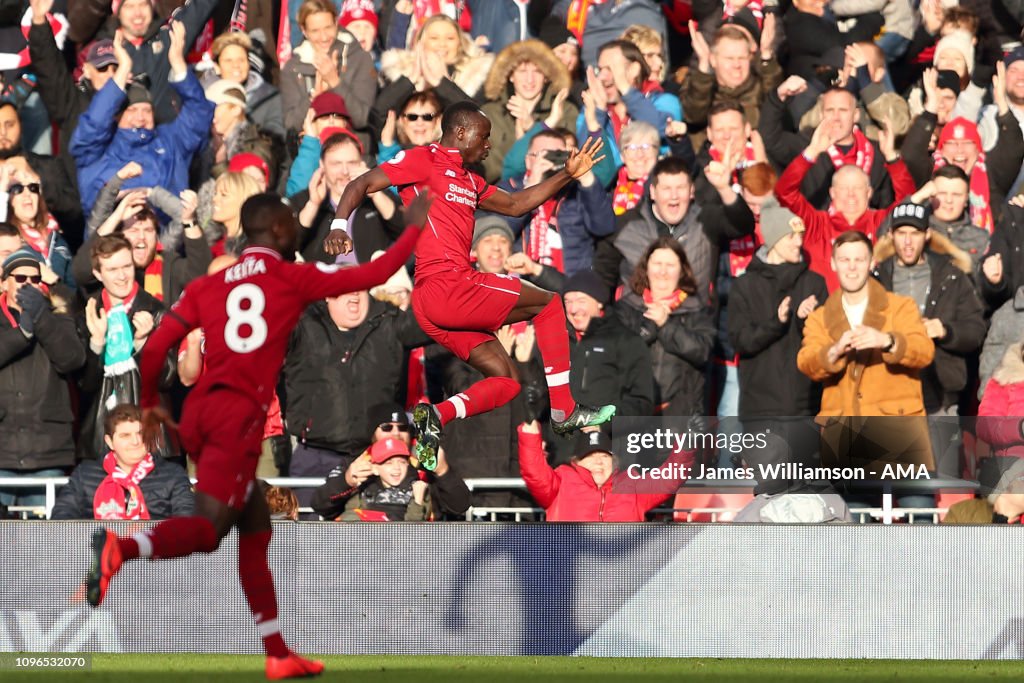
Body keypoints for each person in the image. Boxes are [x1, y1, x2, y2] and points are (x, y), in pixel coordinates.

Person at [84, 190, 433, 680]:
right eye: (290, 222)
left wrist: (148, 407)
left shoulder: (211, 284)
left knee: (255, 529)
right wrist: (413, 225)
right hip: (239, 416)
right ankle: (122, 550)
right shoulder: (290, 277)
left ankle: (276, 653)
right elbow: (375, 275)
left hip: (205, 407)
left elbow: (158, 343)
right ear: (278, 231)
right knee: (207, 532)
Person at [326, 101, 617, 469]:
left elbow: (515, 204)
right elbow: (363, 181)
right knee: (549, 304)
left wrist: (566, 175)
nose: (489, 145)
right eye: (484, 136)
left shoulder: (469, 179)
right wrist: (339, 225)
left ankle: (437, 415)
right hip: (448, 286)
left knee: (508, 381)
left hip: (440, 308)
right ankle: (564, 410)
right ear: (460, 133)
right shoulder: (422, 160)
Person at [797, 231, 936, 473]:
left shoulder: (901, 307)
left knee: (918, 507)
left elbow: (924, 351)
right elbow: (806, 362)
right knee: (851, 510)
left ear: (871, 263)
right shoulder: (819, 318)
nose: (852, 268)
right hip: (844, 436)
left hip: (899, 431)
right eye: (844, 260)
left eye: (859, 260)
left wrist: (887, 341)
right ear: (833, 263)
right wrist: (835, 350)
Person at [0, 247, 84, 511]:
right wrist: (22, 333)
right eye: (20, 278)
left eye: (35, 280)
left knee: (41, 548)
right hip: (2, 453)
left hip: (46, 454)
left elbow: (72, 359)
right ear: (3, 282)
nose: (28, 284)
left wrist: (41, 319)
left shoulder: (59, 320)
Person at [51, 403, 193, 520]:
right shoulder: (85, 475)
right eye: (125, 435)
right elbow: (61, 520)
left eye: (140, 433)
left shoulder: (172, 474)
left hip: (155, 551)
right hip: (99, 552)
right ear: (110, 442)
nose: (135, 441)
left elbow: (187, 521)